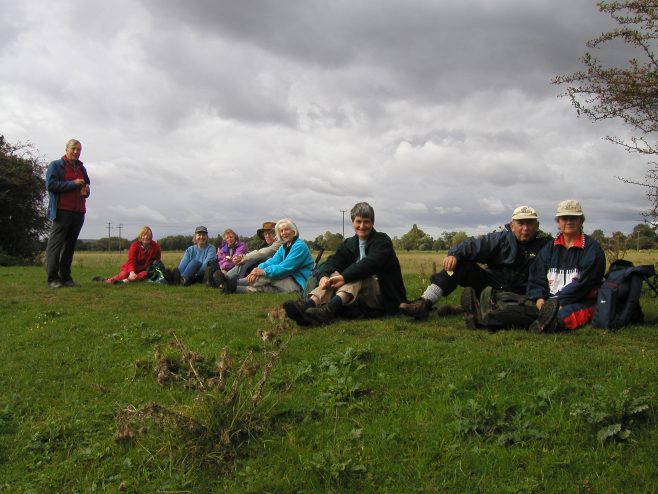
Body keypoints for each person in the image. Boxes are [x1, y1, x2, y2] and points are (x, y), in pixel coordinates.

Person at [399, 205, 551, 320]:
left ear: (536, 226)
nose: (525, 228)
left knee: (515, 308)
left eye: (529, 223)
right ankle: (424, 303)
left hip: (523, 293)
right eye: (521, 223)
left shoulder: (547, 244)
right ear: (512, 226)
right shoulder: (500, 239)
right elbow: (474, 245)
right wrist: (454, 255)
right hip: (492, 284)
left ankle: (466, 308)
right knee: (459, 264)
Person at [283, 202, 407, 326]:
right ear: (353, 222)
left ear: (372, 222)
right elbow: (332, 261)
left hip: (382, 296)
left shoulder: (382, 241)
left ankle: (327, 310)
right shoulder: (349, 243)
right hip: (356, 296)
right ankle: (308, 305)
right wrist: (324, 276)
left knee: (358, 274)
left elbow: (370, 264)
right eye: (358, 221)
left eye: (366, 221)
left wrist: (344, 277)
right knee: (333, 273)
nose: (362, 226)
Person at [526, 200, 606, 333]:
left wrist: (558, 303)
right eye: (564, 218)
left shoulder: (593, 250)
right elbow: (537, 276)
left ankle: (550, 324)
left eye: (573, 218)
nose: (569, 221)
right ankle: (542, 320)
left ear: (581, 221)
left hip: (578, 300)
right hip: (548, 301)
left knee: (565, 316)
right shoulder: (549, 248)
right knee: (523, 308)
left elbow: (584, 284)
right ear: (558, 222)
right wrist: (539, 299)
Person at [214, 218, 313, 294]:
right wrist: (257, 269)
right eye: (281, 231)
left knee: (268, 277)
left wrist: (263, 271)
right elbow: (273, 261)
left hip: (298, 283)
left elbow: (285, 268)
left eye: (286, 230)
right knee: (264, 288)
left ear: (294, 231)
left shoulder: (299, 246)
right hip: (287, 280)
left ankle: (231, 282)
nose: (284, 233)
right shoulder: (284, 246)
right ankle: (233, 288)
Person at [44, 139, 90, 288]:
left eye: (79, 149)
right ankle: (53, 279)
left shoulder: (82, 168)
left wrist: (86, 190)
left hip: (79, 212)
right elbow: (50, 185)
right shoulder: (55, 165)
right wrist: (73, 183)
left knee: (69, 247)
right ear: (66, 149)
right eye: (73, 149)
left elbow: (86, 184)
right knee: (55, 245)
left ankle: (66, 278)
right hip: (62, 211)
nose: (76, 152)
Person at [96, 226, 162, 284]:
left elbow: (157, 260)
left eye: (148, 235)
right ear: (140, 236)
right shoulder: (134, 245)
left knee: (144, 274)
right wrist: (132, 272)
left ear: (151, 236)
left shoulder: (156, 246)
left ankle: (123, 282)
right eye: (143, 235)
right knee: (123, 275)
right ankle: (106, 281)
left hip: (144, 270)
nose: (146, 237)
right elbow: (131, 260)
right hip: (131, 268)